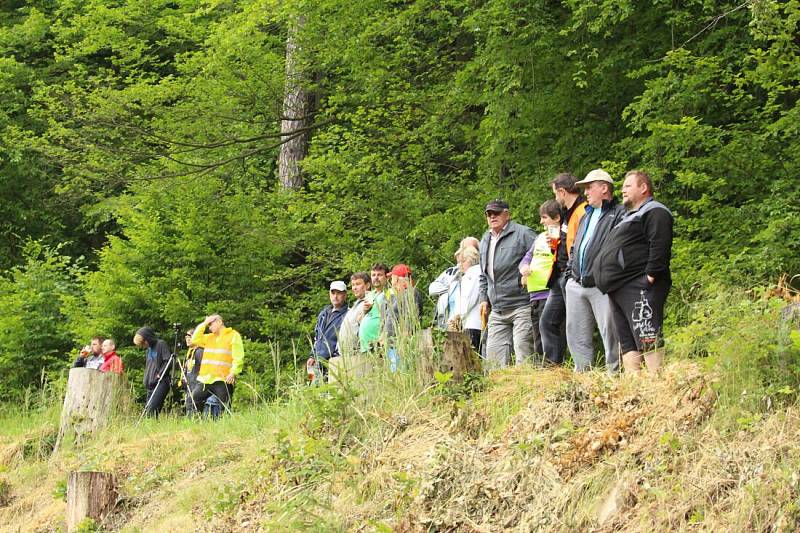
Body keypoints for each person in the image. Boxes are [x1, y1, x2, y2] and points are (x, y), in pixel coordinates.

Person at [595, 170, 674, 375]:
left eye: (628, 186)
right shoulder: (629, 215)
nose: (622, 190)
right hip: (618, 287)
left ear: (643, 188)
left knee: (647, 334)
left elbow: (660, 244)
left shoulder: (655, 211)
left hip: (639, 285)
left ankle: (657, 384)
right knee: (628, 341)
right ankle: (634, 390)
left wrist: (650, 276)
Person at [564, 169, 626, 372]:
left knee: (611, 333)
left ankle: (614, 376)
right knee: (576, 334)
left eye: (589, 187)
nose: (586, 192)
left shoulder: (619, 214)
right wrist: (570, 273)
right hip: (576, 282)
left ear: (604, 188)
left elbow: (621, 249)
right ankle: (582, 379)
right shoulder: (585, 214)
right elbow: (575, 246)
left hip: (602, 284)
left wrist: (608, 277)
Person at [478, 199, 537, 368]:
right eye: (489, 214)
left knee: (523, 354)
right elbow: (483, 275)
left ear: (507, 214)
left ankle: (528, 390)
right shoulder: (485, 239)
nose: (492, 216)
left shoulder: (523, 233)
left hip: (522, 304)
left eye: (496, 213)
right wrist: (483, 298)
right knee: (493, 361)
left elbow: (542, 257)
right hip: (497, 309)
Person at [539, 173, 587, 366]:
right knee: (547, 321)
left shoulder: (582, 210)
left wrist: (572, 271)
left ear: (562, 191)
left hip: (572, 275)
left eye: (555, 193)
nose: (555, 198)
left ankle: (582, 366)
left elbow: (581, 244)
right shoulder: (567, 213)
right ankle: (552, 366)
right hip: (559, 277)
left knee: (575, 324)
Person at [518, 200, 561, 360]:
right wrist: (524, 269)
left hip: (549, 294)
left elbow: (560, 261)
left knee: (549, 334)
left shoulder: (560, 236)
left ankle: (552, 367)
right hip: (534, 295)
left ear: (556, 217)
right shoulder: (540, 237)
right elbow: (526, 258)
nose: (541, 221)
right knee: (538, 337)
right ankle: (542, 368)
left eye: (544, 217)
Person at [189, 314, 244, 416]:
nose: (209, 328)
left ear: (220, 322)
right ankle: (197, 425)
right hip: (205, 379)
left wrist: (233, 372)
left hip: (223, 379)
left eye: (211, 324)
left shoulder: (233, 335)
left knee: (225, 407)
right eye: (208, 325)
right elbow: (194, 339)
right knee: (194, 399)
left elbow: (238, 357)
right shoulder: (209, 337)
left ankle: (225, 427)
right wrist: (204, 324)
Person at [429, 237, 479, 329]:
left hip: (467, 323)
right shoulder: (451, 272)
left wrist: (456, 318)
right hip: (448, 322)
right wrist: (450, 285)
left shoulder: (477, 272)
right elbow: (432, 289)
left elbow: (468, 300)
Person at [384, 264, 424, 371]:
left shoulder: (410, 293)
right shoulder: (400, 295)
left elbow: (410, 318)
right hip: (394, 345)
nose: (391, 282)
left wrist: (403, 340)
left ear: (397, 278)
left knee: (401, 373)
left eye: (392, 278)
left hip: (402, 345)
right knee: (396, 375)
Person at [308, 281, 349, 380]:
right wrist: (312, 355)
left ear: (345, 295)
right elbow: (317, 337)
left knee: (330, 393)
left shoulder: (348, 314)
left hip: (333, 363)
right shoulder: (323, 313)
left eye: (339, 293)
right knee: (312, 390)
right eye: (333, 293)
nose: (335, 296)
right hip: (316, 362)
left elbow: (345, 340)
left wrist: (334, 359)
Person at [447, 246, 483, 351]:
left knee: (472, 358)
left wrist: (455, 319)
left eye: (462, 262)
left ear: (469, 260)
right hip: (474, 323)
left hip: (472, 323)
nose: (459, 265)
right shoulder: (478, 273)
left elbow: (467, 300)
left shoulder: (472, 274)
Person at [133, 327, 173, 416]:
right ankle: (151, 427)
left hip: (161, 382)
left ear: (147, 339)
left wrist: (160, 374)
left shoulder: (161, 344)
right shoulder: (149, 349)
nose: (143, 346)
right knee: (148, 410)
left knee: (152, 410)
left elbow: (169, 361)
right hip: (150, 384)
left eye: (143, 343)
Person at [339, 272, 371, 356]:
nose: (354, 288)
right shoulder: (355, 304)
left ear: (367, 285)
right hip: (344, 355)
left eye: (358, 284)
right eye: (353, 285)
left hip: (357, 355)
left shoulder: (369, 302)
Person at [178, 328, 204, 414]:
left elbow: (203, 368)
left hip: (197, 385)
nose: (188, 339)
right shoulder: (189, 353)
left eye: (190, 337)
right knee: (189, 406)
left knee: (195, 408)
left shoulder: (199, 351)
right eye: (186, 337)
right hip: (189, 386)